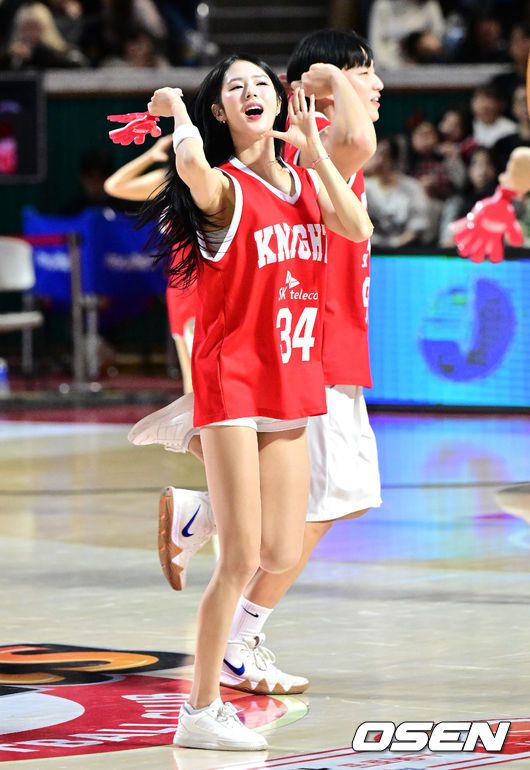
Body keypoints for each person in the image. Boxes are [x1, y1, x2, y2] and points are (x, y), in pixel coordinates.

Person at [131, 29, 383, 698]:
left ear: (279, 100)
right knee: (250, 554)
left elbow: (357, 227)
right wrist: (179, 115)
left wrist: (313, 153)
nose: (252, 92)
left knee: (281, 544)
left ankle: (207, 511)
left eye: (260, 84)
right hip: (249, 371)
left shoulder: (306, 175)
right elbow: (192, 167)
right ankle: (208, 695)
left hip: (294, 373)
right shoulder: (232, 181)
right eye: (236, 86)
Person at [103, 135, 196, 393]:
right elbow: (114, 185)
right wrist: (152, 155)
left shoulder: (218, 179)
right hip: (182, 286)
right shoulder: (169, 181)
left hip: (214, 283)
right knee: (192, 386)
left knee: (209, 381)